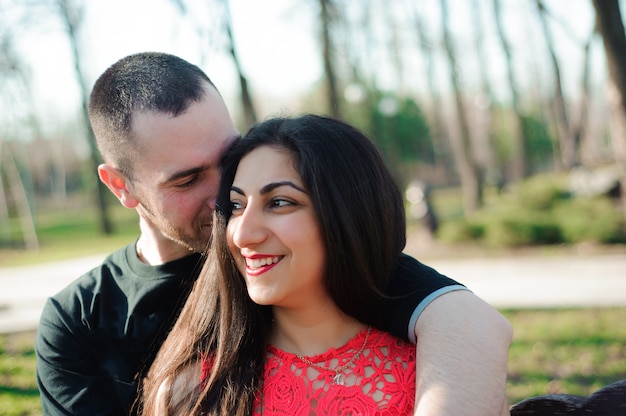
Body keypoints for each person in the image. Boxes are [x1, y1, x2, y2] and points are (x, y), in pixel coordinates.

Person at [35, 52, 512, 416]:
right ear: (121, 186)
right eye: (185, 180)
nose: (225, 199)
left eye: (228, 159)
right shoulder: (78, 320)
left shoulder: (298, 258)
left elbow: (467, 321)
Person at [140, 114, 419, 415]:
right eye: (236, 206)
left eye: (279, 202)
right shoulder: (191, 393)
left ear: (347, 215)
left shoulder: (431, 375)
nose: (243, 234)